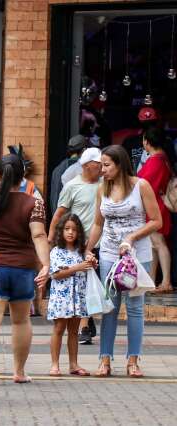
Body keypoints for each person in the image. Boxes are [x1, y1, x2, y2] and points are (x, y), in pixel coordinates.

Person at [0, 154, 49, 383]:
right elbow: (39, 235)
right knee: (21, 321)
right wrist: (46, 264)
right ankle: (19, 372)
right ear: (22, 176)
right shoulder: (33, 203)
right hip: (23, 269)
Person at [85, 145, 161, 378]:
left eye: (107, 165)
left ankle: (133, 361)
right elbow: (98, 223)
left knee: (136, 308)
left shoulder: (141, 186)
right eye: (101, 165)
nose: (102, 170)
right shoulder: (101, 189)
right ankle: (105, 359)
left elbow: (156, 221)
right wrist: (88, 249)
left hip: (137, 256)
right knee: (110, 308)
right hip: (109, 254)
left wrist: (131, 237)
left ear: (120, 164)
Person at [48, 147, 102, 345]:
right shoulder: (72, 186)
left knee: (91, 284)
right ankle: (85, 326)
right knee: (84, 281)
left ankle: (86, 322)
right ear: (88, 165)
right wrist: (50, 238)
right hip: (78, 244)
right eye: (99, 163)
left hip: (101, 243)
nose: (102, 167)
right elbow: (59, 213)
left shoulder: (105, 184)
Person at [47, 213, 93, 377]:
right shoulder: (56, 251)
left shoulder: (82, 252)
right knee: (59, 329)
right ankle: (54, 364)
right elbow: (56, 274)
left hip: (77, 298)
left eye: (74, 229)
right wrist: (78, 267)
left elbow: (88, 268)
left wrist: (91, 263)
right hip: (62, 299)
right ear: (61, 231)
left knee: (74, 331)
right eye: (67, 229)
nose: (70, 232)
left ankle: (74, 364)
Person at [137, 127, 173, 293]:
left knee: (158, 243)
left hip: (154, 207)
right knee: (155, 244)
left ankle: (166, 282)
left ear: (147, 142)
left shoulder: (155, 160)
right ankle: (153, 281)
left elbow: (142, 183)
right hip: (158, 205)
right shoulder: (163, 158)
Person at [49, 135, 86, 213]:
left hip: (59, 217)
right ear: (84, 150)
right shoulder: (85, 168)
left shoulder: (57, 169)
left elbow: (54, 198)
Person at [123, 107, 159, 172]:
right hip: (135, 180)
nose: (148, 126)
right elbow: (123, 163)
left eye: (150, 123)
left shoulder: (165, 142)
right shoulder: (129, 141)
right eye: (145, 123)